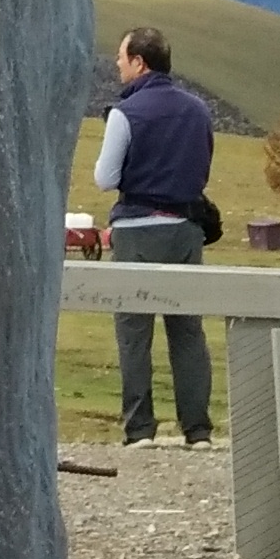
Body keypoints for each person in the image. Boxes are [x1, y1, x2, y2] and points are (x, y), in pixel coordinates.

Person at [96, 24, 216, 447]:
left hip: (136, 230)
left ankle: (140, 428)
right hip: (186, 231)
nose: (117, 63)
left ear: (139, 62)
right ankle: (197, 428)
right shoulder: (199, 110)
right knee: (187, 330)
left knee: (134, 330)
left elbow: (105, 178)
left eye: (121, 57)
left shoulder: (125, 113)